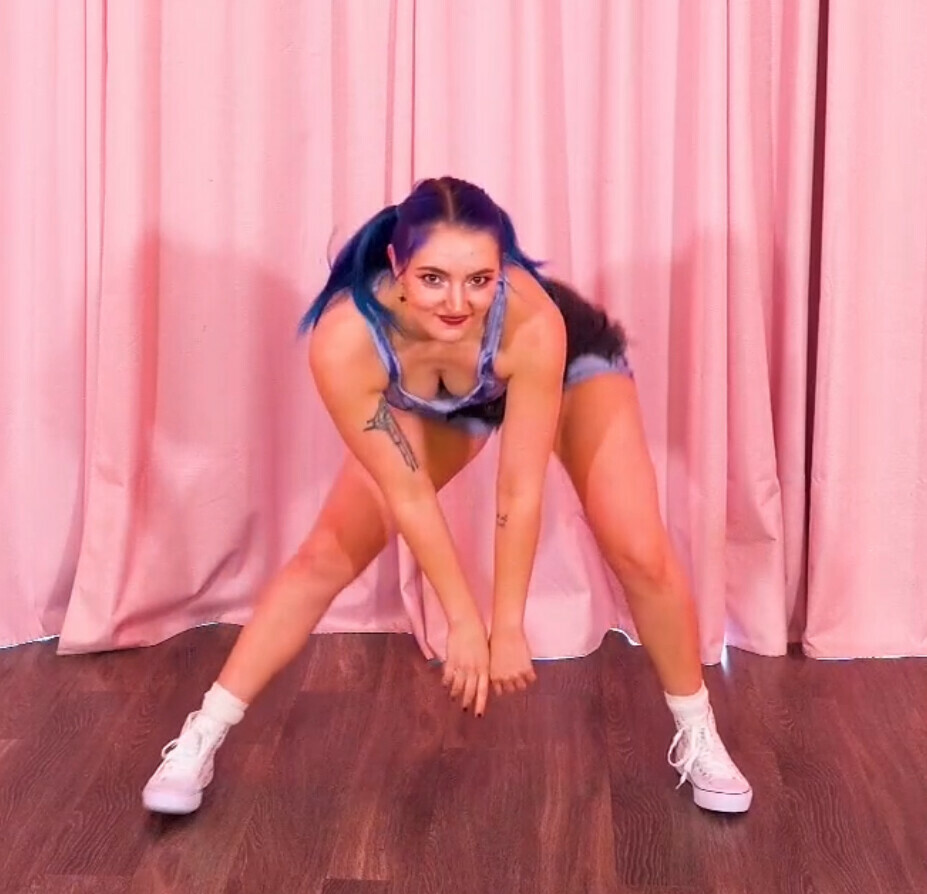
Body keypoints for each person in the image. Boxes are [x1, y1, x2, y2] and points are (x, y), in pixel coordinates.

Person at [142, 176, 752, 816]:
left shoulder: (532, 322)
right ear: (398, 264)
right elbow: (407, 497)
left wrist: (507, 625)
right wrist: (462, 621)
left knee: (639, 551)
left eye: (480, 279)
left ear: (502, 270)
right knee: (327, 554)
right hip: (448, 401)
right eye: (433, 278)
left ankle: (700, 732)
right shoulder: (347, 341)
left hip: (569, 369)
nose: (458, 302)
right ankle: (200, 736)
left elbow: (520, 487)